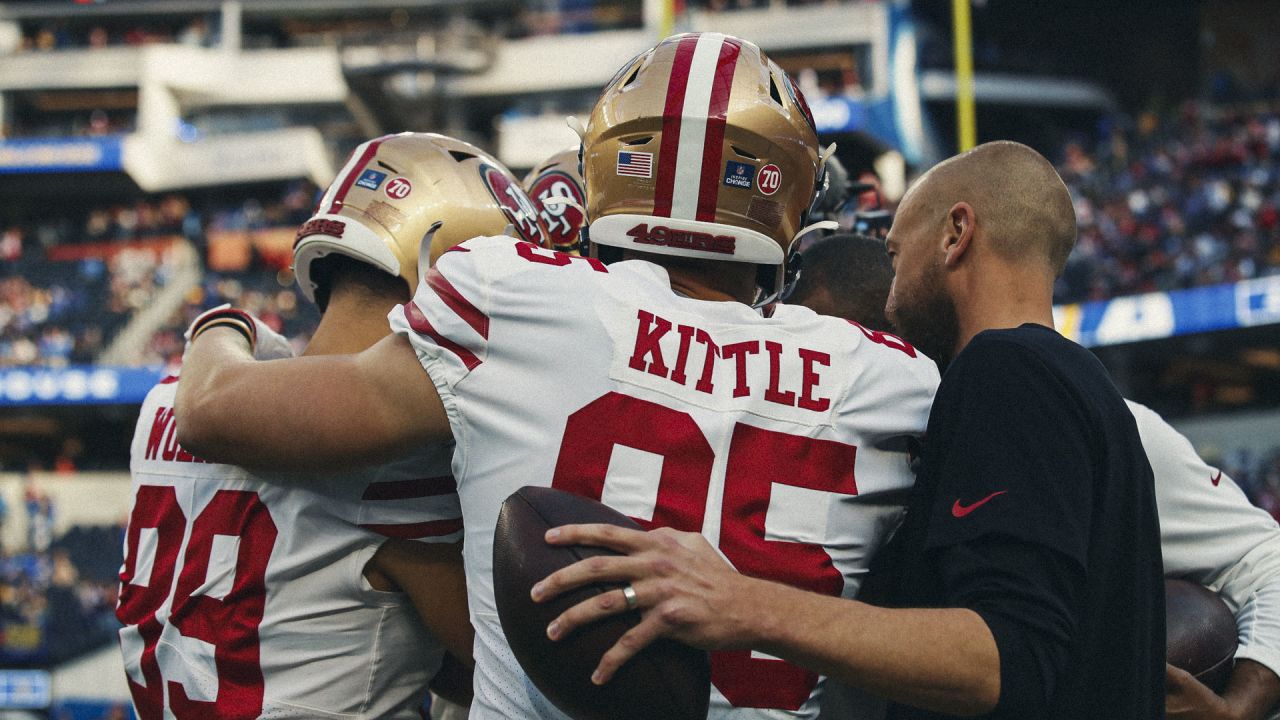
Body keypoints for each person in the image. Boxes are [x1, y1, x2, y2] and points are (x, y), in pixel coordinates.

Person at [173, 32, 940, 719]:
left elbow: (217, 413)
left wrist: (217, 327)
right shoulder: (892, 382)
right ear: (792, 188)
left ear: (609, 165)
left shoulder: (516, 295)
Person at [530, 141, 1166, 719]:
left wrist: (742, 602)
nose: (887, 297)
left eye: (893, 254)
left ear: (956, 233)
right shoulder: (1091, 392)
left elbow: (1007, 658)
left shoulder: (1005, 370)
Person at [116, 132, 543, 718]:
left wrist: (220, 327)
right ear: (445, 270)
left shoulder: (165, 399)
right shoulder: (395, 458)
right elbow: (500, 674)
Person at [794, 232, 1280, 720]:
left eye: (836, 341)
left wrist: (1239, 707)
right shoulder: (783, 445)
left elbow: (1266, 559)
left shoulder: (1066, 422)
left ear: (898, 336)